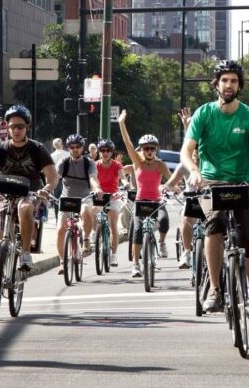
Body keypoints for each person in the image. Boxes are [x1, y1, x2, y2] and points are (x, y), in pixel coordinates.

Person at [180, 60, 249, 326]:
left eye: (234, 80)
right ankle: (215, 289)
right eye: (224, 80)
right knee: (215, 223)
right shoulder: (204, 113)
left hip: (243, 183)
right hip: (211, 183)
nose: (229, 85)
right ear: (217, 84)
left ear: (239, 85)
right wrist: (195, 171)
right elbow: (187, 150)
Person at [0, 105, 59, 304]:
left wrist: (47, 189)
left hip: (30, 194)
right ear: (8, 128)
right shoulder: (0, 149)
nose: (16, 130)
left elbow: (52, 176)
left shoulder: (37, 149)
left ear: (27, 127)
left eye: (20, 126)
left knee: (25, 207)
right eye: (12, 126)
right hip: (3, 195)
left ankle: (26, 255)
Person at [118, 110, 176, 277]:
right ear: (142, 150)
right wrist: (121, 123)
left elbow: (171, 180)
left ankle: (162, 243)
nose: (149, 151)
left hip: (157, 201)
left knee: (164, 221)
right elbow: (128, 143)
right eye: (146, 148)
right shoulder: (137, 162)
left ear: (156, 149)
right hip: (141, 201)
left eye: (152, 148)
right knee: (136, 230)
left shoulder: (160, 164)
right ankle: (136, 264)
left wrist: (176, 189)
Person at [56, 134, 104, 270]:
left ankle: (87, 239)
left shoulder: (89, 163)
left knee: (85, 210)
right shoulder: (63, 163)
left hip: (84, 198)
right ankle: (62, 262)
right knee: (60, 229)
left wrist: (96, 188)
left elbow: (93, 178)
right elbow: (54, 178)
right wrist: (47, 189)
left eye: (78, 147)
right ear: (68, 148)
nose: (75, 149)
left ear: (82, 148)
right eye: (72, 147)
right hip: (66, 199)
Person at [94, 138, 129, 266]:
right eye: (103, 150)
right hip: (99, 195)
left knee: (113, 222)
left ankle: (113, 254)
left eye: (108, 150)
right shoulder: (96, 165)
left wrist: (126, 184)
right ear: (99, 152)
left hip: (113, 195)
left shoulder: (116, 165)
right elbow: (92, 179)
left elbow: (123, 177)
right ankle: (95, 233)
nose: (105, 153)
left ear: (111, 152)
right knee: (91, 211)